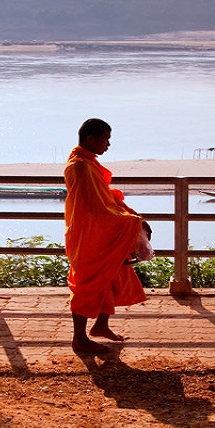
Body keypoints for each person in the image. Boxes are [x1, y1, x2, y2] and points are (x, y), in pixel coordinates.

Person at [64, 118, 147, 354]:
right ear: (90, 139)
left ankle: (101, 326)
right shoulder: (80, 166)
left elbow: (104, 197)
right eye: (105, 139)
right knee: (87, 284)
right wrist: (131, 221)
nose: (108, 144)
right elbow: (94, 206)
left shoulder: (86, 164)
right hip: (89, 233)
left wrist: (131, 214)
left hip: (97, 230)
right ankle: (79, 339)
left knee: (111, 274)